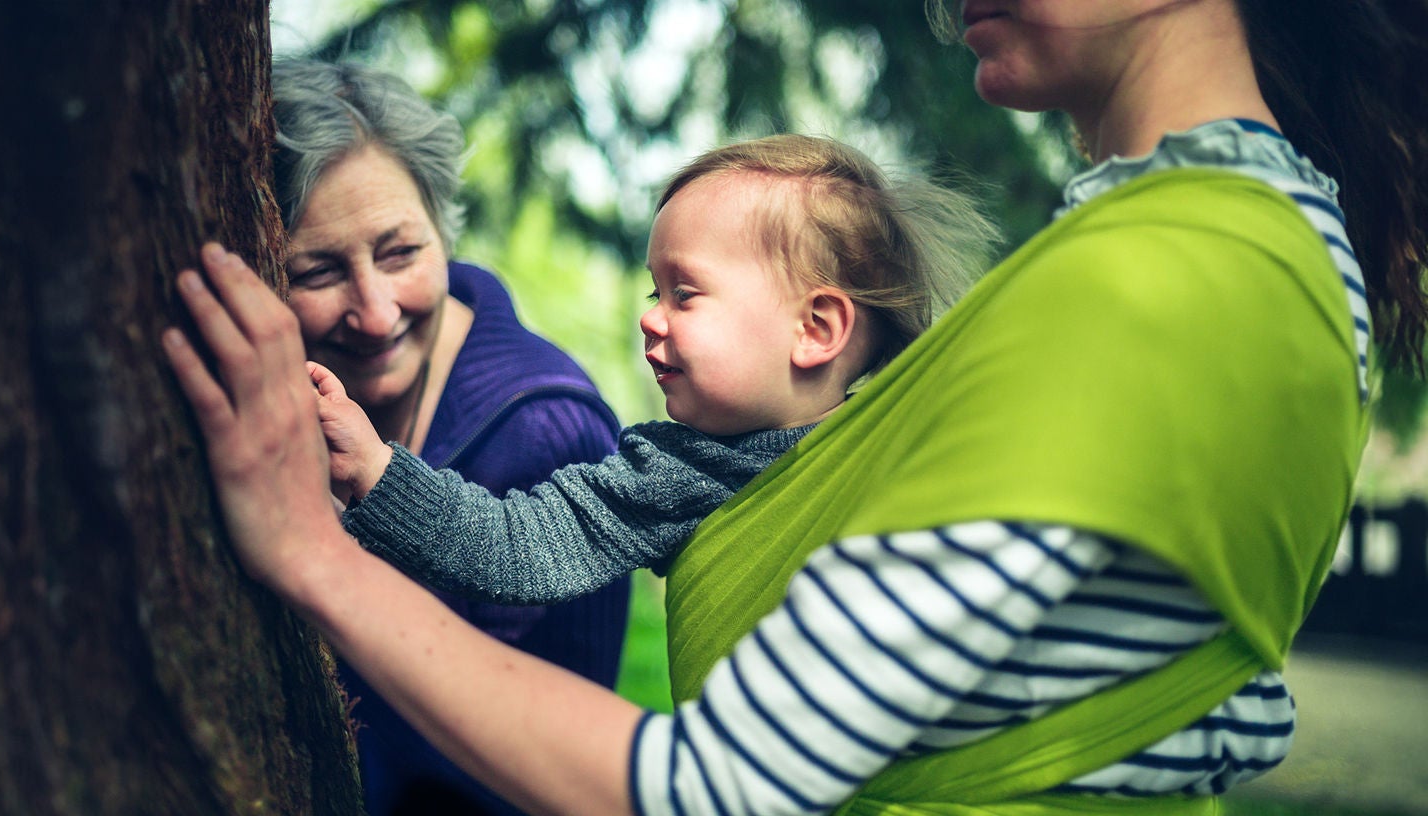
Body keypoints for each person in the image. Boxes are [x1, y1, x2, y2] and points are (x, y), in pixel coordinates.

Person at [163, 0, 1427, 812]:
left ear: (828, 330)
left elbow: (709, 790)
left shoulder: (1161, 279)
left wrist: (305, 551)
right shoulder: (1276, 253)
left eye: (687, 293)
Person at [316, 135, 997, 615]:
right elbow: (514, 545)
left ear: (815, 330)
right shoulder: (673, 474)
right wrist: (379, 471)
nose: (652, 319)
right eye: (654, 292)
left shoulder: (915, 456)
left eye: (685, 293)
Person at [268, 59, 632, 815]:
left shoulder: (551, 435)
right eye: (318, 271)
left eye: (399, 254)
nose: (374, 313)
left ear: (444, 231)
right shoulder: (264, 401)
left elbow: (567, 764)